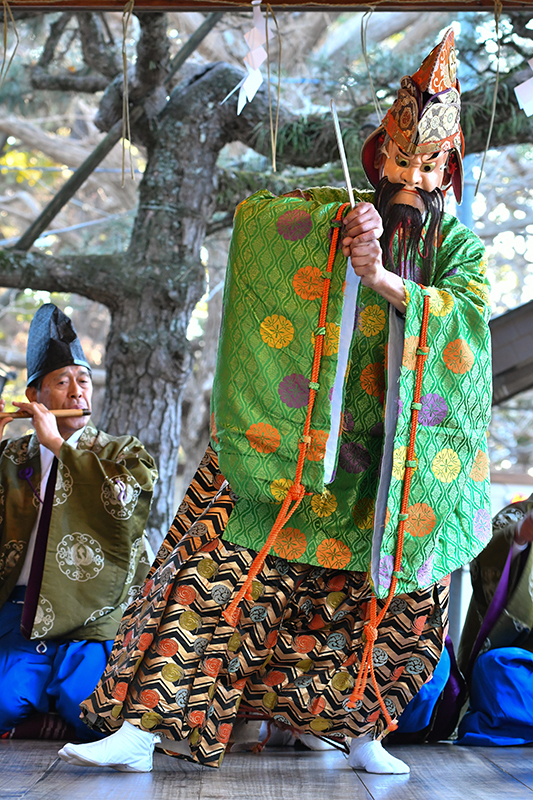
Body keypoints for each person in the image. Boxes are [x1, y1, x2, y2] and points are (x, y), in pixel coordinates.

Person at [58, 29, 492, 775]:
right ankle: (145, 727)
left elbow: (466, 329)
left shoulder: (457, 249)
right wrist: (334, 241)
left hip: (388, 463)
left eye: (427, 166)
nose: (410, 178)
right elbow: (267, 227)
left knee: (383, 607)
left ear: (446, 171)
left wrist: (388, 282)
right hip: (294, 438)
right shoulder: (341, 216)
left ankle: (360, 734)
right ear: (374, 155)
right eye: (399, 159)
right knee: (210, 571)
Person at [0, 303, 157, 740]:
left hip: (93, 614)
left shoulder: (122, 451)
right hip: (21, 612)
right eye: (62, 382)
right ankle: (33, 712)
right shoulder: (12, 457)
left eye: (83, 381)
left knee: (89, 711)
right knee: (0, 702)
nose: (77, 393)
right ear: (35, 397)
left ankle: (54, 709)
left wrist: (58, 444)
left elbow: (126, 505)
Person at [457, 494, 533, 746]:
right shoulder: (514, 516)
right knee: (497, 666)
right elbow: (485, 557)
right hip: (522, 653)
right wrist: (520, 536)